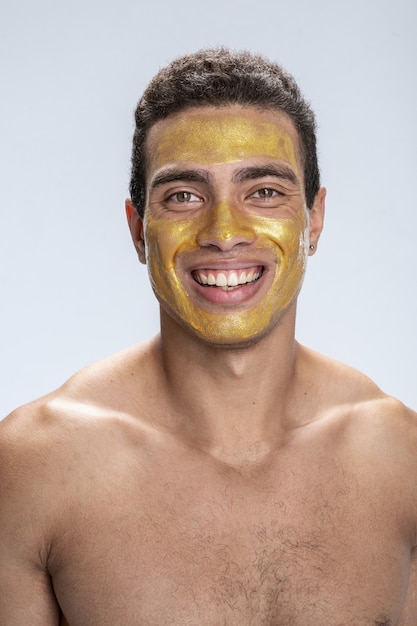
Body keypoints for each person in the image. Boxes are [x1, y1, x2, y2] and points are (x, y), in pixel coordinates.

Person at [0, 47, 416, 626]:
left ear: (314, 219)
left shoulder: (399, 457)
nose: (223, 232)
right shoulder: (37, 465)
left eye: (265, 192)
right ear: (139, 230)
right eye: (184, 196)